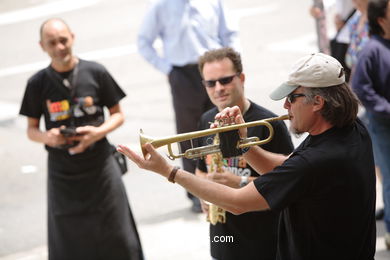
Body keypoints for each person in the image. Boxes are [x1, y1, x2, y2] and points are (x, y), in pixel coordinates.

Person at [118, 53, 376, 259]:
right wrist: (243, 144)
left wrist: (168, 171)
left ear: (318, 102)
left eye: (292, 97)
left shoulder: (318, 160)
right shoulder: (353, 129)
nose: (285, 105)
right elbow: (289, 167)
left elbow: (237, 202)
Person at [19, 18, 143, 260]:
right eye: (52, 43)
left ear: (72, 37)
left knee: (118, 233)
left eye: (63, 40)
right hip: (63, 172)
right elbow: (31, 130)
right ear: (42, 46)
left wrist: (97, 133)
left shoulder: (95, 71)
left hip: (100, 165)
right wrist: (49, 137)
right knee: (68, 239)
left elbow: (118, 114)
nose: (59, 47)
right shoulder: (37, 83)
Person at [137, 0, 240, 212]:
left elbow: (229, 33)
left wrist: (233, 66)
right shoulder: (161, 5)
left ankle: (231, 177)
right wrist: (169, 70)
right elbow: (143, 41)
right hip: (183, 74)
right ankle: (194, 190)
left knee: (225, 123)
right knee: (189, 133)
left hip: (216, 70)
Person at [195, 47, 294, 260]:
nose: (218, 88)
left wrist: (238, 181)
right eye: (210, 83)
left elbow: (289, 184)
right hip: (222, 239)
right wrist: (203, 191)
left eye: (225, 80)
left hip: (263, 239)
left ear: (241, 78)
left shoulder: (268, 124)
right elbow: (200, 170)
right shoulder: (205, 121)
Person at [352, 0, 390, 249]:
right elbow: (360, 86)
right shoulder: (372, 50)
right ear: (381, 20)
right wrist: (386, 108)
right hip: (384, 126)